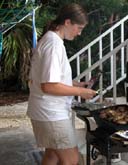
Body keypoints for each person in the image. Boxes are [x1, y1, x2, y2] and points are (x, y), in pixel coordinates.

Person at [27, 3, 96, 165]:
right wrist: (79, 92)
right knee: (72, 160)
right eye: (79, 28)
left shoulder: (51, 40)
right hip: (51, 113)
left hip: (46, 112)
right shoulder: (54, 44)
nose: (79, 33)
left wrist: (77, 85)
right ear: (67, 22)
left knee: (53, 156)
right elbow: (49, 86)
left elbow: (52, 79)